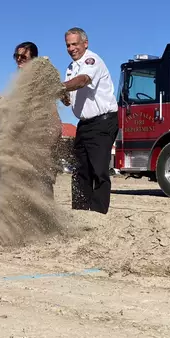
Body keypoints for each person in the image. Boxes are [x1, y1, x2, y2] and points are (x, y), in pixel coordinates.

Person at [61, 28, 118, 214]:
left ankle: (98, 214)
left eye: (75, 44)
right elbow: (69, 93)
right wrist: (62, 95)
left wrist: (58, 87)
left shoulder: (92, 60)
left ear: (85, 43)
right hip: (84, 124)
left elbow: (83, 80)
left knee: (98, 169)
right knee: (79, 169)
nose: (71, 48)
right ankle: (79, 212)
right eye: (68, 45)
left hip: (103, 122)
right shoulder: (70, 68)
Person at [14, 41, 63, 198]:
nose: (19, 59)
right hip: (27, 137)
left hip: (44, 134)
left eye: (23, 56)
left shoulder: (40, 74)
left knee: (42, 180)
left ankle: (46, 215)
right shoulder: (20, 78)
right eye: (16, 56)